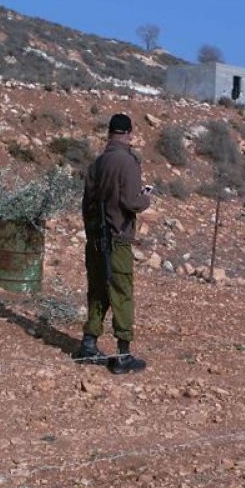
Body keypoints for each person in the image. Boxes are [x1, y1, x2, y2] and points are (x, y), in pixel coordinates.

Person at [75, 113, 151, 374]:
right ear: (129, 133)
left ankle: (88, 345)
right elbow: (131, 202)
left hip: (95, 240)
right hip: (117, 241)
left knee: (97, 292)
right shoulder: (128, 162)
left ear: (109, 133)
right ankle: (124, 355)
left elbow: (86, 205)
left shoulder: (97, 163)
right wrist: (146, 199)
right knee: (121, 293)